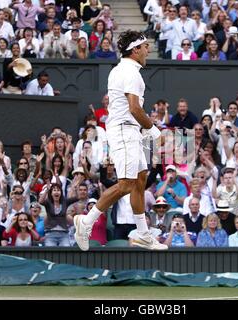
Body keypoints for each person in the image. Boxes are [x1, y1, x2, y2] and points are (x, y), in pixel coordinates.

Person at [74, 30, 167, 251]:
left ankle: (143, 233)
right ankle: (85, 222)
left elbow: (132, 109)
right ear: (135, 50)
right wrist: (154, 131)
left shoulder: (122, 69)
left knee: (141, 179)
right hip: (125, 132)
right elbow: (134, 108)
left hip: (130, 131)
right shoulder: (131, 73)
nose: (148, 50)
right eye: (145, 47)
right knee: (126, 184)